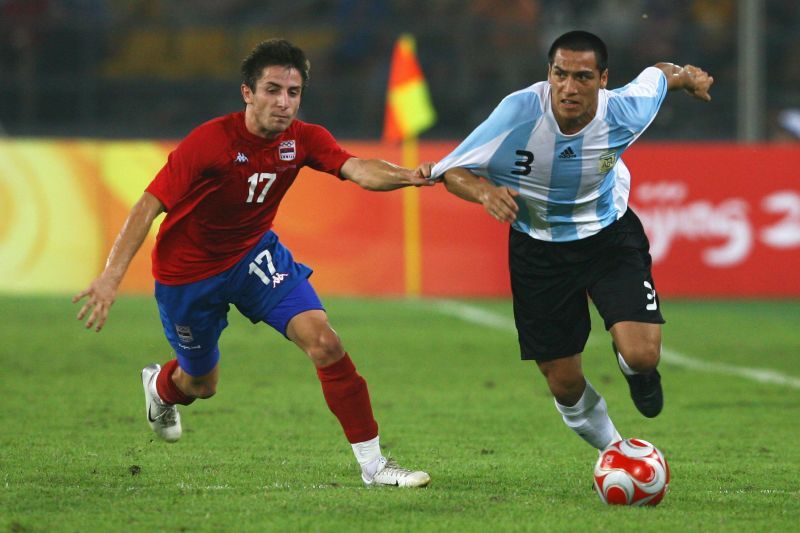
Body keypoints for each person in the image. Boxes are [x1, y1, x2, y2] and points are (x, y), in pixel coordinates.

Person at [73, 38, 431, 488]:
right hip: (189, 275)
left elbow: (357, 168)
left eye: (294, 92)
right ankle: (160, 387)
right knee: (200, 384)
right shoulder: (211, 142)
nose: (284, 103)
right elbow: (148, 205)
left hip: (253, 256)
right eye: (272, 90)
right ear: (248, 92)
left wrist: (410, 176)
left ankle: (375, 466)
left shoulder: (304, 139)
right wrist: (110, 277)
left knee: (325, 343)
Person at [430, 31, 713, 452]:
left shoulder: (624, 111)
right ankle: (616, 452)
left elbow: (659, 74)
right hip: (537, 248)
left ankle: (638, 374)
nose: (568, 87)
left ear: (602, 79)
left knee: (642, 355)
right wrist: (486, 193)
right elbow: (451, 170)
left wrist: (688, 77)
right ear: (549, 73)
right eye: (560, 75)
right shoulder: (517, 113)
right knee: (562, 381)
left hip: (608, 239)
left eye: (582, 77)